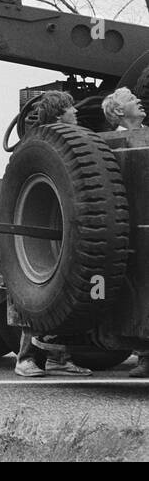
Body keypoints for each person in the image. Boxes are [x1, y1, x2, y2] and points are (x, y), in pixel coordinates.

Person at [14, 90, 92, 378]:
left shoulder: (69, 144)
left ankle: (59, 357)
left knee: (63, 298)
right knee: (36, 297)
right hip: (38, 234)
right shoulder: (43, 143)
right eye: (71, 108)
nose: (76, 112)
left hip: (65, 231)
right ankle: (25, 358)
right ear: (60, 113)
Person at [102, 87, 149, 378]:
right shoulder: (106, 142)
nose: (140, 102)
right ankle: (143, 354)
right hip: (123, 224)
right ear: (119, 112)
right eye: (133, 100)